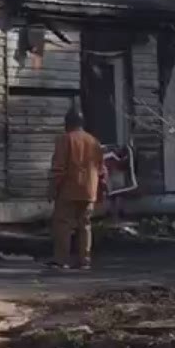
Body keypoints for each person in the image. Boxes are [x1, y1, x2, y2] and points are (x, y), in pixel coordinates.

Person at [49, 106, 104, 269]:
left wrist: (53, 188)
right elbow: (101, 168)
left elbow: (59, 168)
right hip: (89, 190)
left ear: (67, 123)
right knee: (85, 225)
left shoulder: (65, 139)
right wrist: (99, 191)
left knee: (63, 224)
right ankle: (84, 260)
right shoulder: (94, 141)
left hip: (68, 190)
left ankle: (62, 260)